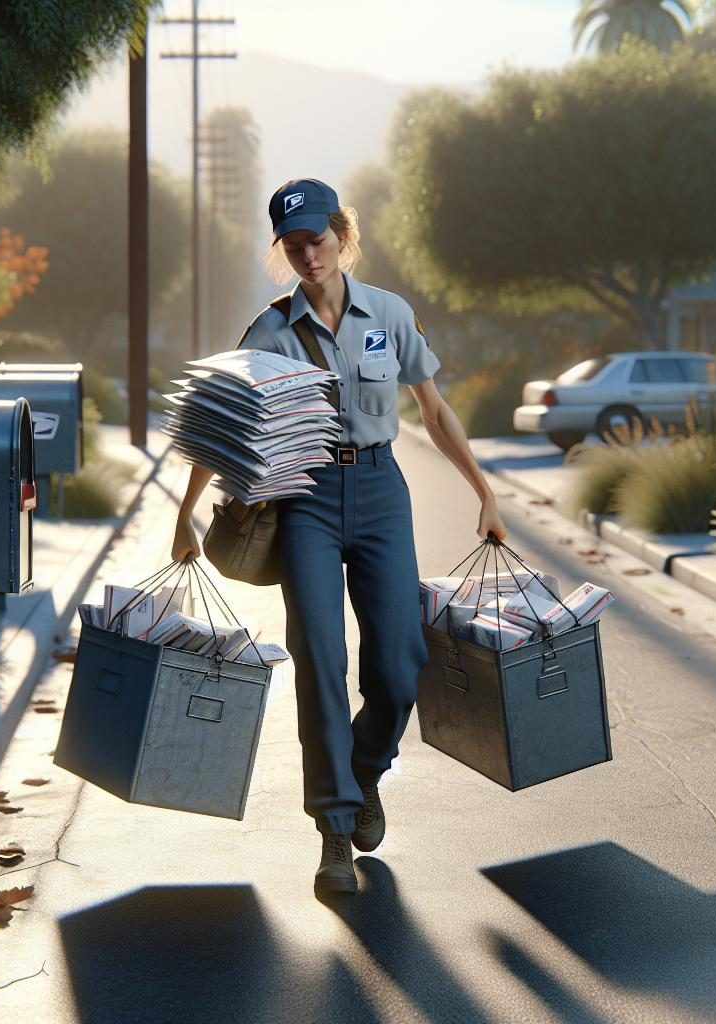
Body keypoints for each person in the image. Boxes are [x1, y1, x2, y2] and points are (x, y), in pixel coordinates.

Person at [171, 177, 508, 897]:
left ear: (341, 235)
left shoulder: (389, 314)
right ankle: (332, 831)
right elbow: (225, 426)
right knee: (319, 657)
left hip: (384, 490)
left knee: (398, 659)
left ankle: (364, 772)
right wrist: (185, 514)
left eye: (316, 242)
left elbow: (434, 412)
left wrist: (485, 491)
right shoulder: (268, 332)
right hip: (308, 500)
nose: (307, 257)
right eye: (292, 247)